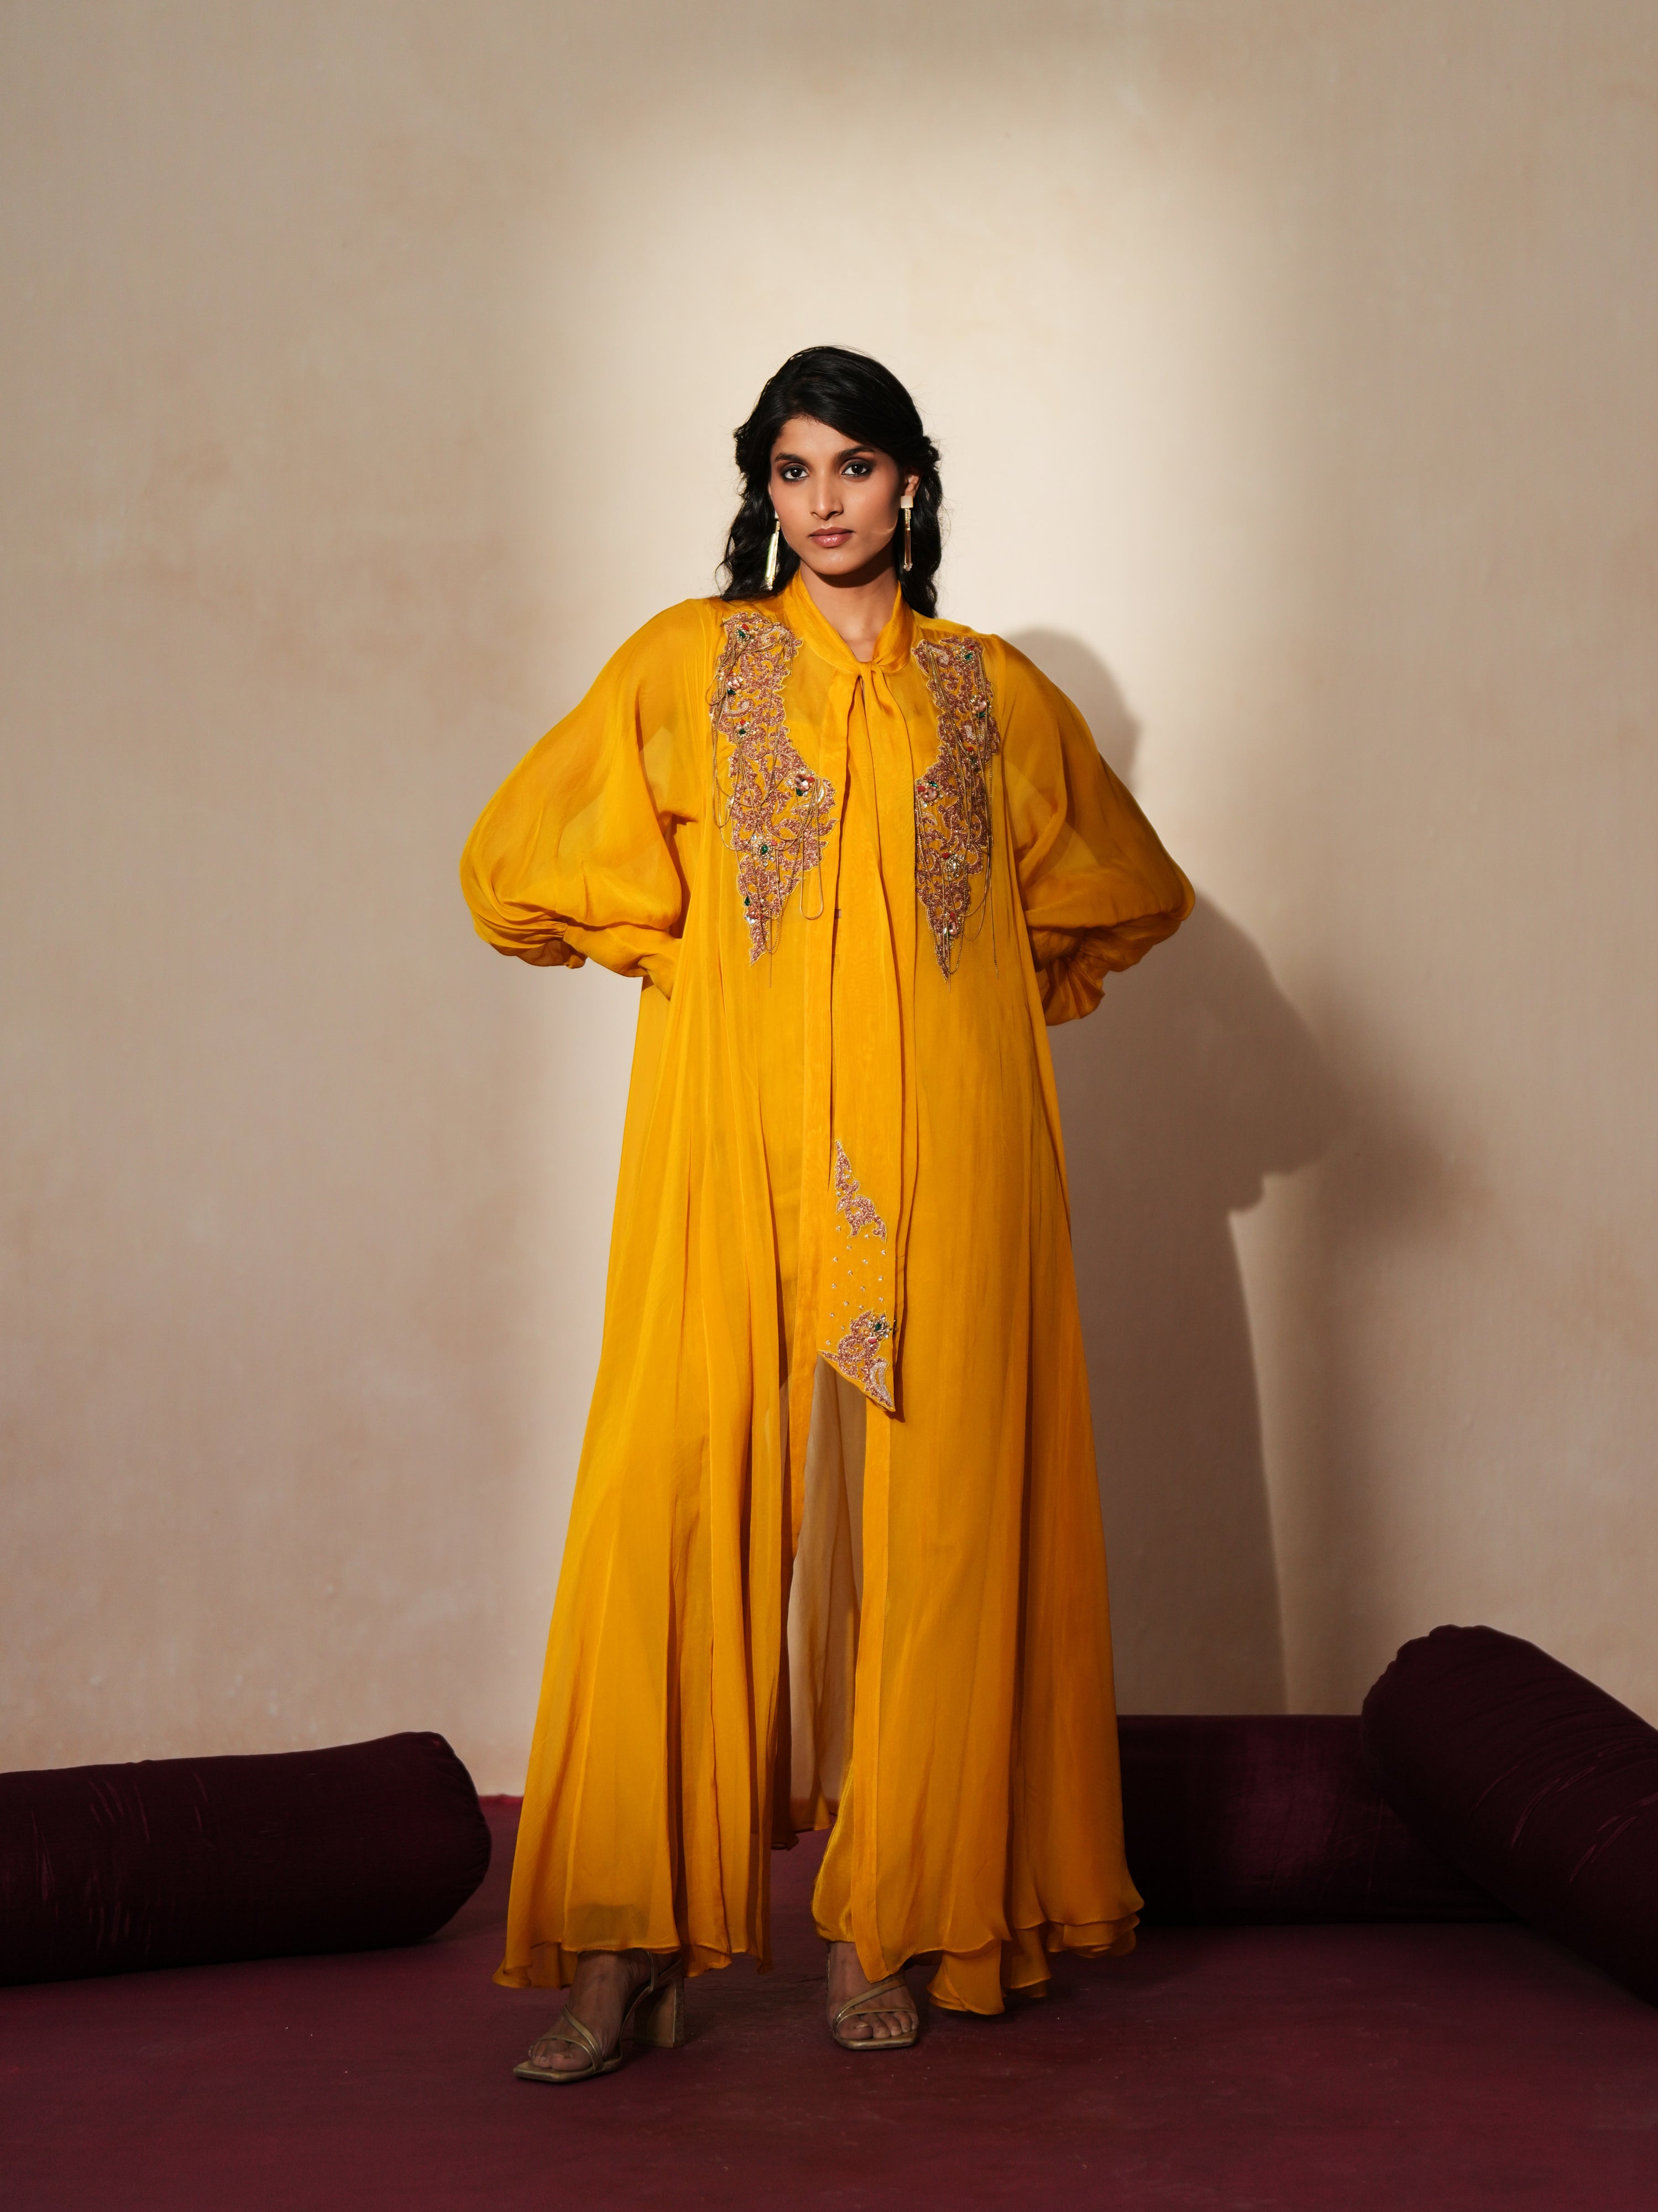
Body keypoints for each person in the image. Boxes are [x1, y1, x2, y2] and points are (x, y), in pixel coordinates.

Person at [460, 346, 1192, 2078]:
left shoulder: (991, 694)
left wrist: (975, 1021)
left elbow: (1117, 892)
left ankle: (899, 1918)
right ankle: (624, 1952)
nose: (825, 500)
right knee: (675, 1495)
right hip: (737, 1150)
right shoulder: (689, 662)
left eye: (854, 467)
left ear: (910, 484)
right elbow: (519, 868)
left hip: (956, 1152)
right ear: (761, 492)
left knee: (939, 1531)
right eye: (793, 471)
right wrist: (690, 961)